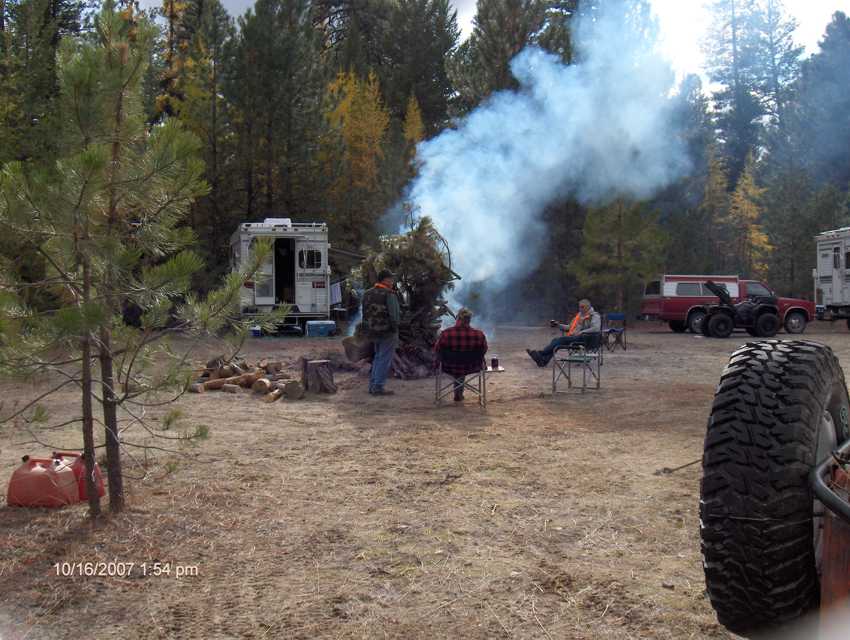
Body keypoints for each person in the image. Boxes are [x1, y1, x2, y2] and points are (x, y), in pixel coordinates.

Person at [527, 298, 601, 367]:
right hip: (575, 337)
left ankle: (541, 354)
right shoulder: (579, 316)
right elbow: (569, 327)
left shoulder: (594, 316)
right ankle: (543, 361)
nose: (580, 309)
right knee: (555, 340)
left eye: (582, 307)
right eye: (579, 307)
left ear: (588, 307)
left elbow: (596, 328)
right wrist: (558, 325)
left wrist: (582, 332)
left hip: (585, 340)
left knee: (561, 340)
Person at [434, 308, 488, 401]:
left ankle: (457, 394)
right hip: (472, 366)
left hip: (449, 366)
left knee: (458, 366)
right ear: (469, 320)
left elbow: (437, 349)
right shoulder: (479, 335)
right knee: (462, 366)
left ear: (457, 318)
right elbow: (484, 350)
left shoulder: (446, 333)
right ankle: (459, 394)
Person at [361, 269, 400, 395]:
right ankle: (378, 387)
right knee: (384, 359)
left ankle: (373, 385)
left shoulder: (367, 293)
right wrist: (395, 329)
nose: (392, 281)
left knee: (378, 357)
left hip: (372, 332)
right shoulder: (389, 294)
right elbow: (394, 316)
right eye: (391, 279)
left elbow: (364, 313)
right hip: (387, 332)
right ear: (385, 280)